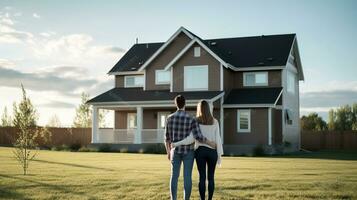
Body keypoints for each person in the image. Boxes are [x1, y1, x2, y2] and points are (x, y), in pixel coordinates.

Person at [165, 95, 216, 200]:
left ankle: (173, 199)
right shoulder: (191, 119)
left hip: (175, 151)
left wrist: (168, 152)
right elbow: (198, 136)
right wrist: (210, 143)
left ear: (176, 104)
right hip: (188, 152)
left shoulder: (169, 118)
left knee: (174, 176)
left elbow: (167, 138)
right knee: (187, 177)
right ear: (185, 104)